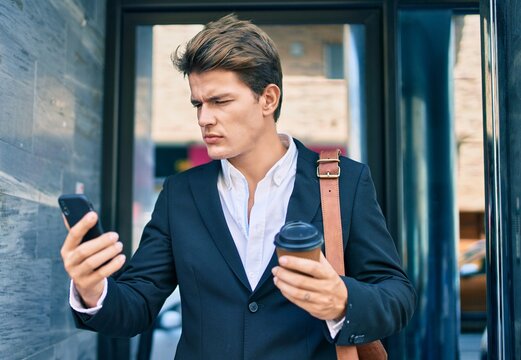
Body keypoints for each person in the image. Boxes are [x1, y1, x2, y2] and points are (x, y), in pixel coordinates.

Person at [61, 14, 416, 359]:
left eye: (220, 101)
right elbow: (137, 305)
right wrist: (93, 290)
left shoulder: (345, 182)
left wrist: (342, 300)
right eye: (198, 103)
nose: (204, 118)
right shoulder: (180, 193)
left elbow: (397, 297)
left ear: (268, 99)